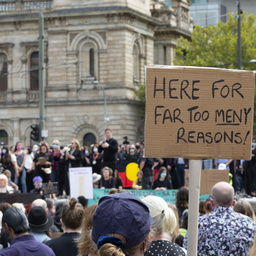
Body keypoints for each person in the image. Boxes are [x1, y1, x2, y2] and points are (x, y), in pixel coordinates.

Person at [183, 181, 256, 255]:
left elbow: (186, 250)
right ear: (234, 202)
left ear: (211, 201)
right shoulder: (249, 223)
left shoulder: (198, 224)